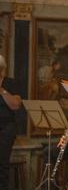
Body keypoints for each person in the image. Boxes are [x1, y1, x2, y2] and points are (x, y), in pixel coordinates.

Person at [0, 54, 22, 190]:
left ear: (2, 69)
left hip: (6, 129)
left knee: (2, 163)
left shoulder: (10, 83)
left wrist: (1, 90)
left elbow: (16, 105)